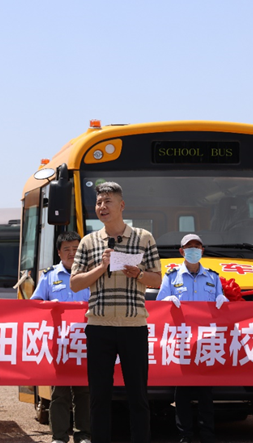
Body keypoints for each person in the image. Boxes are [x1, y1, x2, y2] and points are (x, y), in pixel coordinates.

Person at [70, 182, 162, 443]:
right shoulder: (89, 241)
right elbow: (75, 283)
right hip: (99, 328)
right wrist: (102, 267)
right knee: (99, 396)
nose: (102, 207)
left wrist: (139, 274)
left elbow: (158, 280)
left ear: (121, 205)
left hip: (133, 327)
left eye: (107, 201)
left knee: (138, 395)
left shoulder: (144, 238)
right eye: (99, 202)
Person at [156, 233, 228, 443]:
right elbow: (159, 308)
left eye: (197, 246)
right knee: (183, 393)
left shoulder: (213, 278)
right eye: (189, 247)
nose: (194, 250)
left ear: (202, 251)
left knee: (206, 393)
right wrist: (167, 300)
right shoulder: (171, 278)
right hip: (182, 342)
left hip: (206, 342)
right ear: (182, 251)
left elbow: (220, 309)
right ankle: (185, 434)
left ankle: (207, 434)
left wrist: (222, 300)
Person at [31, 231, 92, 443]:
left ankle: (83, 434)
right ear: (59, 252)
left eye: (76, 249)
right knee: (59, 393)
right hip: (60, 345)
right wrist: (49, 306)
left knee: (84, 393)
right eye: (67, 249)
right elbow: (35, 304)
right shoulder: (49, 276)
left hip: (86, 343)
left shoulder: (91, 275)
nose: (72, 253)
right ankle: (59, 436)